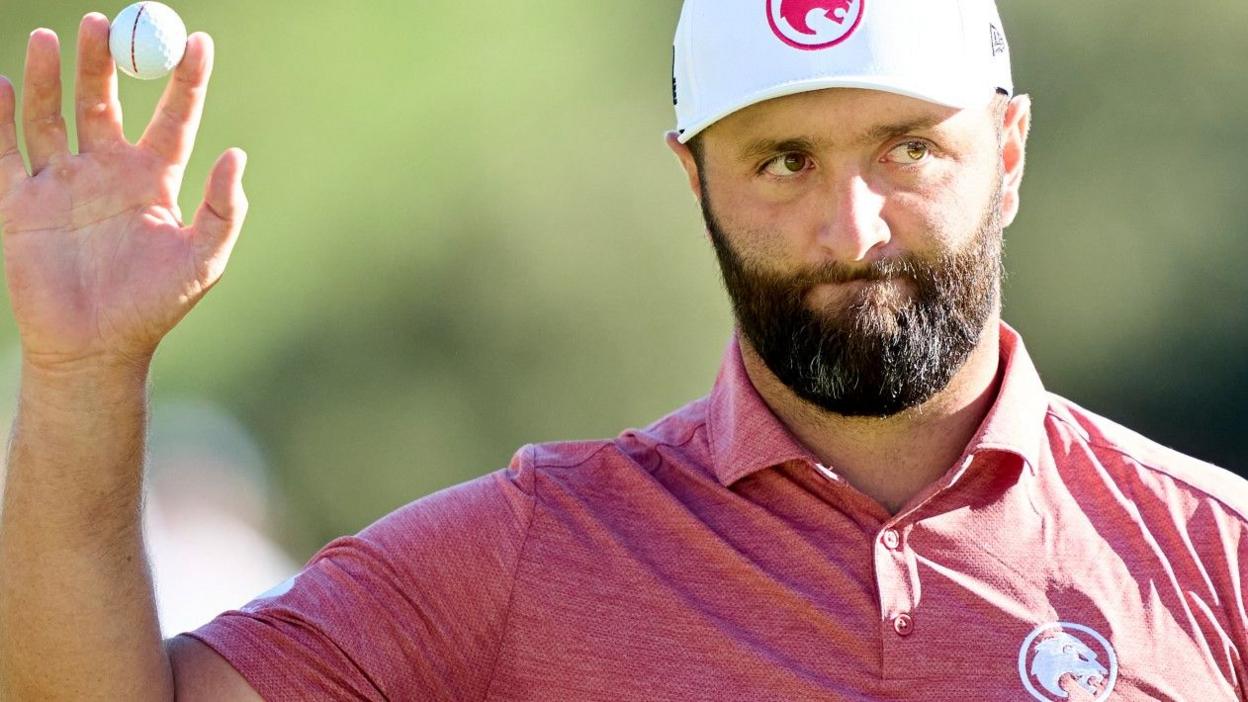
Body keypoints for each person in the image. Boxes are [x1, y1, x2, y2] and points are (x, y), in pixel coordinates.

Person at [0, 1, 1244, 699]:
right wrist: (79, 377)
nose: (849, 226)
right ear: (693, 179)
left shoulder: (1215, 555)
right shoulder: (529, 551)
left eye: (909, 148)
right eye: (782, 160)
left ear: (1010, 153)